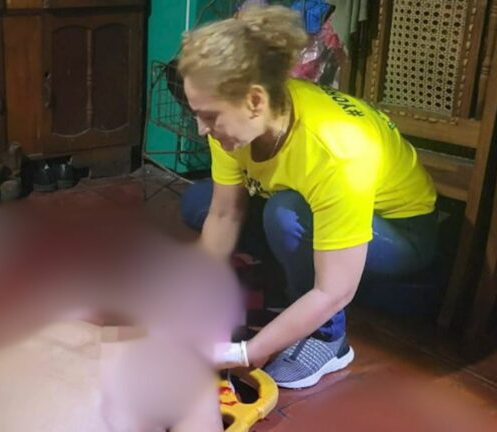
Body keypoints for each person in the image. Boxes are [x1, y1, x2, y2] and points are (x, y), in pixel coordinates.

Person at [180, 6, 438, 389]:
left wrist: (248, 353)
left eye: (210, 116)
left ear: (255, 101)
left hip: (402, 232)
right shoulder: (236, 121)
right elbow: (224, 215)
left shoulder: (338, 151)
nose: (201, 129)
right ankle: (293, 285)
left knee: (286, 214)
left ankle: (328, 338)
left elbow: (336, 290)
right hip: (312, 201)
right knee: (199, 204)